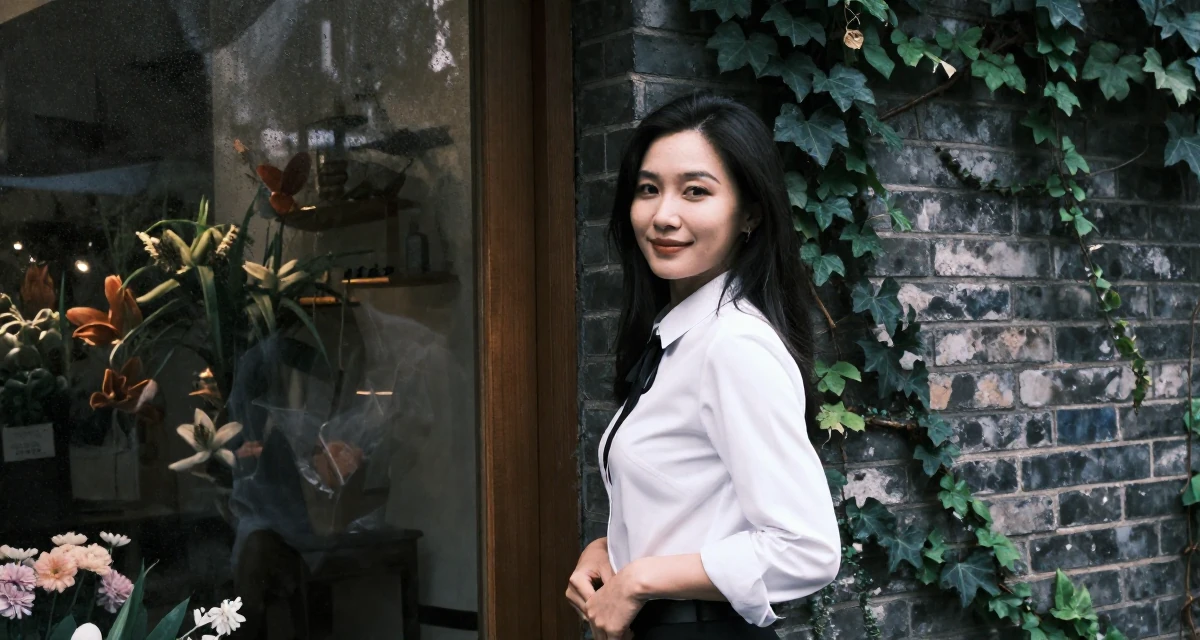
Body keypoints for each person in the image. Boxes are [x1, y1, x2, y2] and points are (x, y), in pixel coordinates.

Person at [565, 93, 842, 640]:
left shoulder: (732, 345)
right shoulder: (679, 337)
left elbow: (807, 548)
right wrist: (613, 549)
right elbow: (693, 501)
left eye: (695, 191)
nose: (663, 215)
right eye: (649, 189)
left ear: (751, 213)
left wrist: (641, 578)